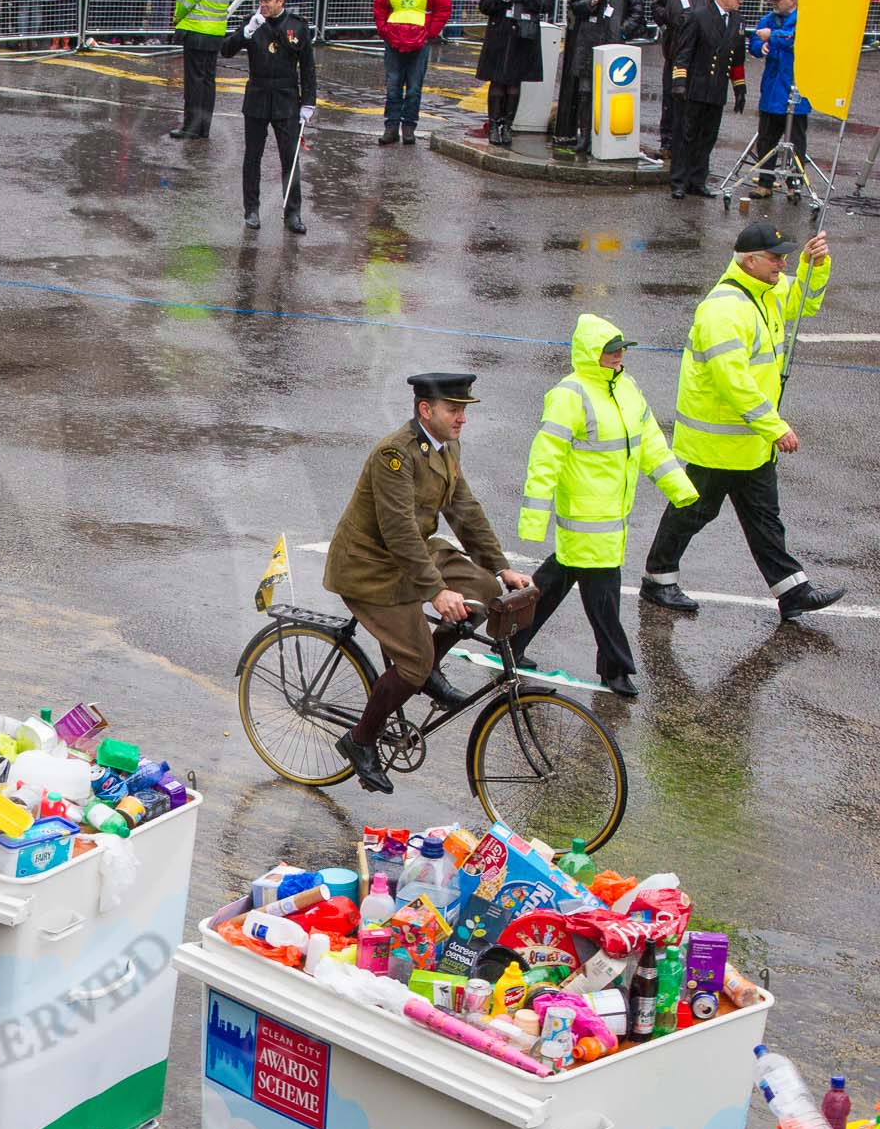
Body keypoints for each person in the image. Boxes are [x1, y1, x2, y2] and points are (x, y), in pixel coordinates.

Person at [324, 373, 533, 792]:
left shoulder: (445, 446)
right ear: (426, 410)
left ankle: (427, 668)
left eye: (464, 410)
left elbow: (464, 508)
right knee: (413, 662)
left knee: (486, 592)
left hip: (414, 553)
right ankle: (361, 740)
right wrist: (436, 591)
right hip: (370, 566)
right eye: (454, 410)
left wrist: (500, 567)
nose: (462, 419)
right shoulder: (394, 456)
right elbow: (399, 530)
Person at [642, 223, 841, 621]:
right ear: (750, 260)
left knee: (764, 518)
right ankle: (658, 580)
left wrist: (814, 265)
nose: (782, 264)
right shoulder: (724, 309)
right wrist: (775, 427)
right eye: (776, 258)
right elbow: (733, 381)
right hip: (719, 443)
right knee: (693, 511)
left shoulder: (766, 292)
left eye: (785, 257)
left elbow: (805, 305)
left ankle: (792, 590)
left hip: (748, 442)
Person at [510, 316, 698, 696]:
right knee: (603, 594)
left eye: (621, 350)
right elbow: (544, 459)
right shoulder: (569, 395)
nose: (618, 357)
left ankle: (512, 640)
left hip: (613, 517)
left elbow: (651, 445)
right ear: (590, 353)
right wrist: (533, 520)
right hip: (584, 517)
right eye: (611, 351)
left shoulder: (627, 388)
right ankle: (615, 668)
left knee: (555, 579)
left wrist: (681, 488)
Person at [220, 0, 314, 234]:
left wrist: (308, 102)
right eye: (261, 0)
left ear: (281, 1)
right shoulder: (254, 22)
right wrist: (246, 31)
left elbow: (307, 67)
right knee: (252, 157)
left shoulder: (297, 26)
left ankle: (292, 213)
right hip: (257, 97)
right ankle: (251, 209)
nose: (264, 4)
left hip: (286, 99)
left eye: (269, 0)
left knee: (289, 159)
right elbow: (226, 50)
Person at [667, 0, 747, 198]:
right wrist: (679, 83)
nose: (740, 2)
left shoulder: (737, 21)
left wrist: (739, 88)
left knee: (707, 137)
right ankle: (679, 181)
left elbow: (736, 58)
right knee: (686, 136)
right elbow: (683, 53)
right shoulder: (698, 16)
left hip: (716, 89)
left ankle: (697, 180)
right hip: (695, 87)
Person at [553, 0, 637, 157]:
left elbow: (637, 11)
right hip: (588, 42)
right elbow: (575, 7)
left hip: (613, 44)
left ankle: (605, 137)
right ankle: (585, 136)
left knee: (609, 94)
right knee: (585, 91)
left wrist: (621, 31)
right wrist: (591, 1)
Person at [372, 0, 448, 146]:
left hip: (419, 41)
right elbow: (380, 6)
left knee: (414, 88)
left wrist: (428, 34)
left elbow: (443, 9)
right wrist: (384, 30)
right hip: (394, 39)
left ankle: (408, 128)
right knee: (393, 87)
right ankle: (391, 128)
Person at [653, 0, 720, 161]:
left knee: (694, 102)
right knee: (670, 97)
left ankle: (690, 146)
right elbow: (657, 6)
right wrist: (669, 16)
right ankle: (668, 143)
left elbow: (718, 11)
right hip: (674, 49)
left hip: (700, 54)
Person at [473, 0, 547, 146]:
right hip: (500, 34)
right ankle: (494, 125)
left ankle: (507, 126)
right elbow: (484, 5)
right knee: (497, 81)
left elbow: (546, 4)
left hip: (523, 35)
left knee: (514, 82)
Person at [747, 0, 807, 199]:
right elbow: (754, 41)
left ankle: (795, 185)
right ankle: (765, 182)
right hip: (772, 89)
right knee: (766, 138)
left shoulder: (803, 19)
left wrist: (770, 36)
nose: (773, 2)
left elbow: (795, 39)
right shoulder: (769, 18)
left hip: (795, 89)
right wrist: (758, 47)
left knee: (796, 142)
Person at [167, 0, 230, 140]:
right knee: (208, 82)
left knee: (194, 82)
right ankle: (203, 127)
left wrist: (177, 17)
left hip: (197, 32)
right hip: (216, 33)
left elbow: (185, 0)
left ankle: (190, 127)